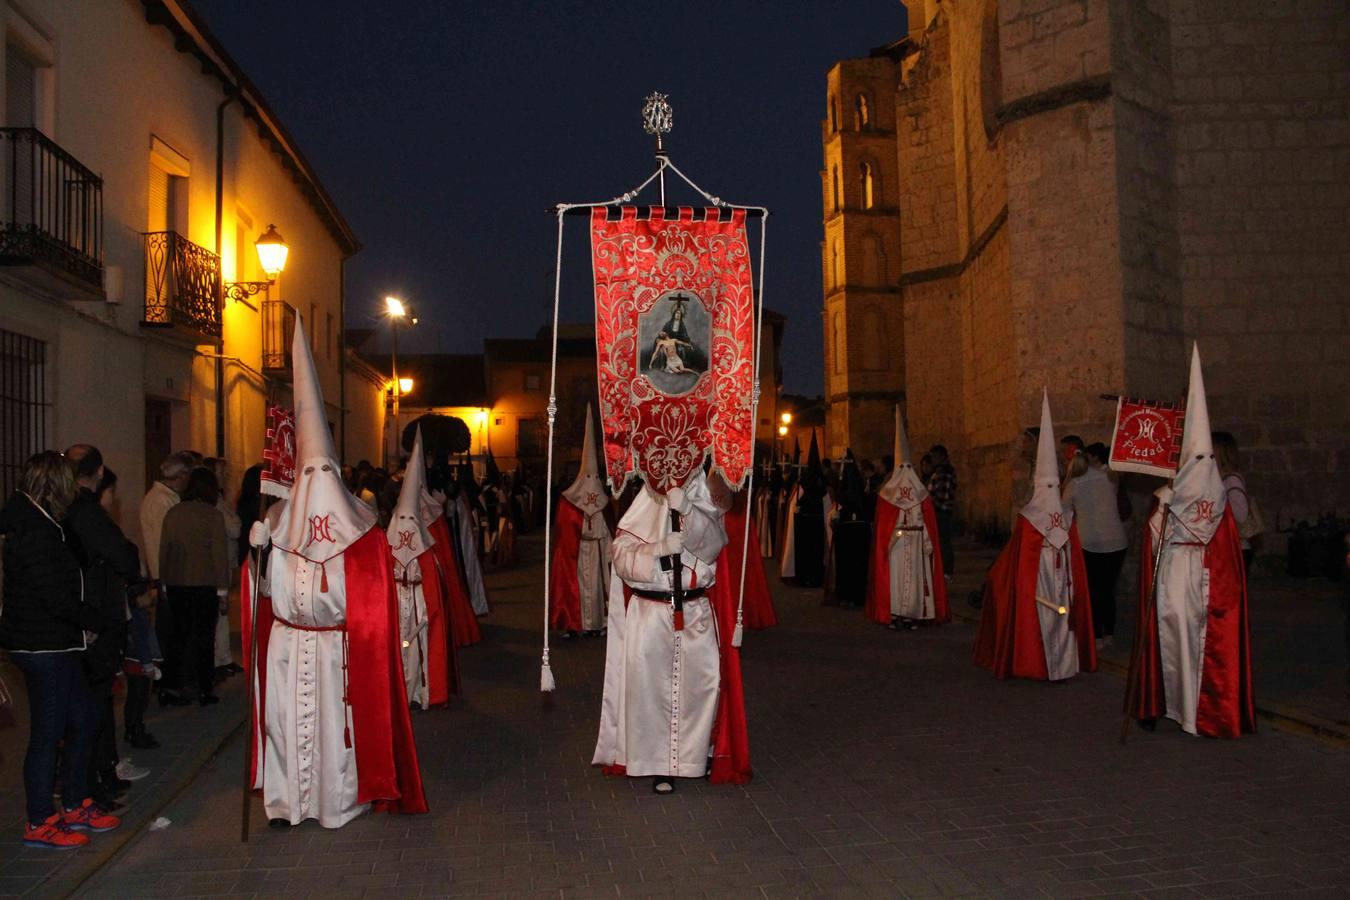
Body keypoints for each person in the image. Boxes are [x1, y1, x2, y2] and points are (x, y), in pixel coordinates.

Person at [243, 319, 425, 829]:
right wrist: (257, 557)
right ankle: (285, 803)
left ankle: (336, 802)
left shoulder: (361, 534)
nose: (316, 486)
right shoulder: (278, 527)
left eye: (324, 473)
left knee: (331, 729)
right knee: (284, 724)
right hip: (286, 646)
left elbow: (367, 604)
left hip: (333, 651)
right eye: (308, 474)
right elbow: (263, 596)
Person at [592, 470, 750, 793]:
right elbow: (620, 556)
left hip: (695, 612)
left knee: (702, 686)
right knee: (651, 692)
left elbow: (715, 545)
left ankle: (695, 756)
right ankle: (660, 765)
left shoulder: (703, 492)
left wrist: (689, 512)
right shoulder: (645, 501)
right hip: (651, 614)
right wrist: (658, 550)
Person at [1125, 346, 1255, 738]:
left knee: (1196, 641)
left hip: (1203, 579)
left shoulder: (1217, 494)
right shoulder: (1170, 490)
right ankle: (1168, 704)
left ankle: (1201, 709)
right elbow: (1152, 535)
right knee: (1170, 634)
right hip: (1171, 573)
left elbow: (1225, 540)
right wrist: (1161, 510)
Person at [1, 451, 120, 848]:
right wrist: (94, 621)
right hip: (41, 645)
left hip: (56, 641)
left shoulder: (45, 522)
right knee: (48, 732)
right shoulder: (31, 528)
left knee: (84, 718)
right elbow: (53, 594)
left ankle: (74, 802)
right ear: (56, 485)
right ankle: (39, 819)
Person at [975, 392, 1097, 681]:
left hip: (1061, 572)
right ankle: (1039, 663)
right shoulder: (1030, 515)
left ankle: (1063, 666)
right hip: (1040, 574)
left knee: (1063, 617)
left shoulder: (1066, 515)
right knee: (1041, 616)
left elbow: (1072, 549)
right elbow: (1019, 553)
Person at [63, 446, 147, 808]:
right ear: (97, 474)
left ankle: (95, 778)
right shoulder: (86, 513)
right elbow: (124, 557)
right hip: (94, 619)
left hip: (76, 618)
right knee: (93, 704)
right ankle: (90, 785)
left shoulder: (60, 510)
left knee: (83, 703)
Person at [387, 428, 456, 707]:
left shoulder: (426, 544)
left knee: (415, 649)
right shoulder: (387, 540)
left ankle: (417, 691)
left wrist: (429, 606)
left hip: (417, 604)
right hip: (395, 600)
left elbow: (433, 578)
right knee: (397, 647)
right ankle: (397, 692)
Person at [866, 407, 948, 630]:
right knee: (896, 582)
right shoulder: (887, 495)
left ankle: (913, 614)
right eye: (900, 467)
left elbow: (927, 522)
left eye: (907, 467)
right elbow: (885, 525)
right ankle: (894, 614)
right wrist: (890, 541)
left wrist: (928, 543)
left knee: (913, 584)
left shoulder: (921, 494)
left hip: (915, 543)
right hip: (897, 546)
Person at [100, 468, 161, 751]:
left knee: (132, 684)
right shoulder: (110, 544)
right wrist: (139, 599)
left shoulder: (118, 542)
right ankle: (129, 734)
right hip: (121, 628)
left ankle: (131, 731)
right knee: (131, 684)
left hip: (125, 626)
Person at [159, 467, 230, 706]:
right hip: (204, 585)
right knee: (203, 638)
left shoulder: (173, 513)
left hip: (177, 582)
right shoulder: (212, 515)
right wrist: (223, 591)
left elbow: (164, 551)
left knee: (178, 636)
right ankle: (203, 687)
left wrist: (165, 583)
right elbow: (219, 556)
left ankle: (171, 686)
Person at [550, 404, 613, 638]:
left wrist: (608, 547)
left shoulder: (603, 503)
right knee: (578, 586)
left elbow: (608, 529)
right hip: (577, 555)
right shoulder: (569, 502)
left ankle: (596, 624)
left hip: (596, 551)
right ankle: (575, 623)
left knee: (597, 588)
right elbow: (564, 535)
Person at [140, 451, 193, 708]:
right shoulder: (161, 502)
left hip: (168, 574)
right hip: (168, 575)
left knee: (171, 631)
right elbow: (167, 542)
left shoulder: (165, 498)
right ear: (180, 475)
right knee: (169, 634)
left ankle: (170, 682)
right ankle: (167, 686)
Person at [1063, 443, 1128, 649]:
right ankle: (1109, 633)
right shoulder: (1108, 477)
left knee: (1093, 590)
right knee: (1108, 589)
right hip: (1117, 540)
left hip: (1090, 542)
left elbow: (1064, 510)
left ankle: (1097, 635)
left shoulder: (1074, 483)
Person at [206, 458, 242, 680]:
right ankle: (219, 659)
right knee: (219, 612)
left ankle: (224, 657)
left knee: (223, 614)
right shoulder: (215, 502)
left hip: (226, 559)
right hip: (218, 561)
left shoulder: (220, 498)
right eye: (222, 473)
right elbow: (233, 527)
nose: (225, 477)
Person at [1212, 431, 1259, 572]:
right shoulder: (1224, 480)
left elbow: (1240, 515)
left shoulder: (1231, 481)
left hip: (1236, 548)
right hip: (1230, 548)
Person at [792, 432, 827, 588]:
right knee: (813, 552)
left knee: (809, 551)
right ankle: (813, 577)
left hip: (808, 522)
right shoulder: (820, 483)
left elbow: (804, 500)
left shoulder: (809, 484)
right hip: (814, 521)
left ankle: (808, 577)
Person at [925, 445, 957, 580]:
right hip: (939, 511)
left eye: (935, 457)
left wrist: (928, 503)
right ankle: (943, 570)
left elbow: (942, 496)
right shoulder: (939, 472)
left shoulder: (944, 473)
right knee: (941, 541)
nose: (933, 460)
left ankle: (946, 571)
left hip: (941, 512)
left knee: (943, 542)